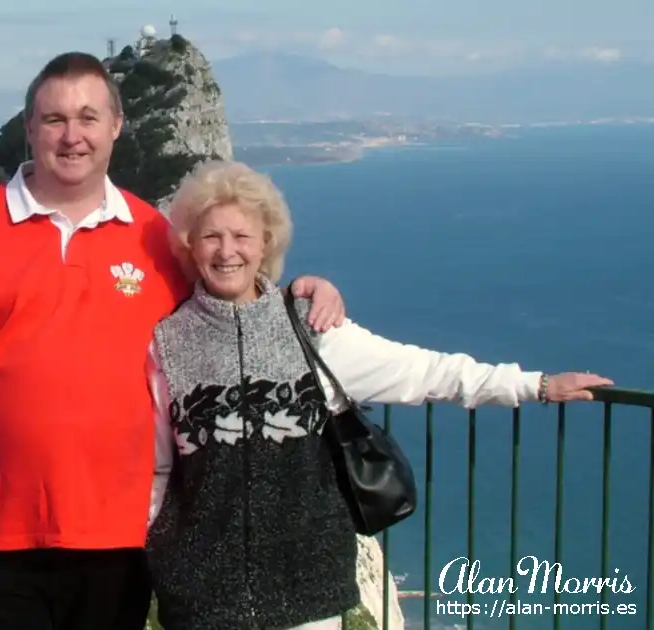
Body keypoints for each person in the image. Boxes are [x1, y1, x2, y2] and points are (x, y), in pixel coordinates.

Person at [0, 51, 348, 630]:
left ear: (117, 127)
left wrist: (299, 292)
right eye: (54, 120)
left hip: (118, 541)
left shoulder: (155, 236)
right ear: (29, 129)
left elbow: (231, 297)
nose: (72, 136)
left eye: (88, 118)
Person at [144, 159, 614, 630]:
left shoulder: (309, 325)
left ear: (266, 242)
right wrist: (161, 549)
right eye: (211, 236)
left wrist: (535, 385)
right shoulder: (167, 343)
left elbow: (424, 372)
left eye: (242, 236)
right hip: (204, 597)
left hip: (307, 591)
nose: (228, 251)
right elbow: (158, 466)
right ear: (190, 245)